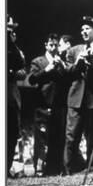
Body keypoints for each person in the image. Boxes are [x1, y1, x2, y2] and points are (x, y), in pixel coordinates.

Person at [63, 16, 93, 175]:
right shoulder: (73, 50)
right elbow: (67, 72)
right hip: (76, 98)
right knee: (72, 135)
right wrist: (79, 61)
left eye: (87, 29)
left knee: (92, 134)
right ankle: (69, 168)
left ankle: (92, 166)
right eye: (82, 29)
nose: (83, 31)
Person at [28, 33, 68, 176]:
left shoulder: (61, 62)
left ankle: (55, 168)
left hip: (58, 106)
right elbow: (31, 80)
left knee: (57, 138)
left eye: (56, 45)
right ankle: (39, 169)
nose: (54, 48)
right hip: (42, 105)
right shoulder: (37, 62)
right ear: (46, 45)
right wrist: (47, 69)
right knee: (42, 139)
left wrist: (61, 65)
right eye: (51, 45)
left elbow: (66, 80)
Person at [6, 15, 27, 178]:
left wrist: (16, 73)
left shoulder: (14, 48)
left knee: (12, 132)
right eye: (7, 27)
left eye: (11, 28)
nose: (10, 30)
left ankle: (5, 168)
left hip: (11, 96)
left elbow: (21, 68)